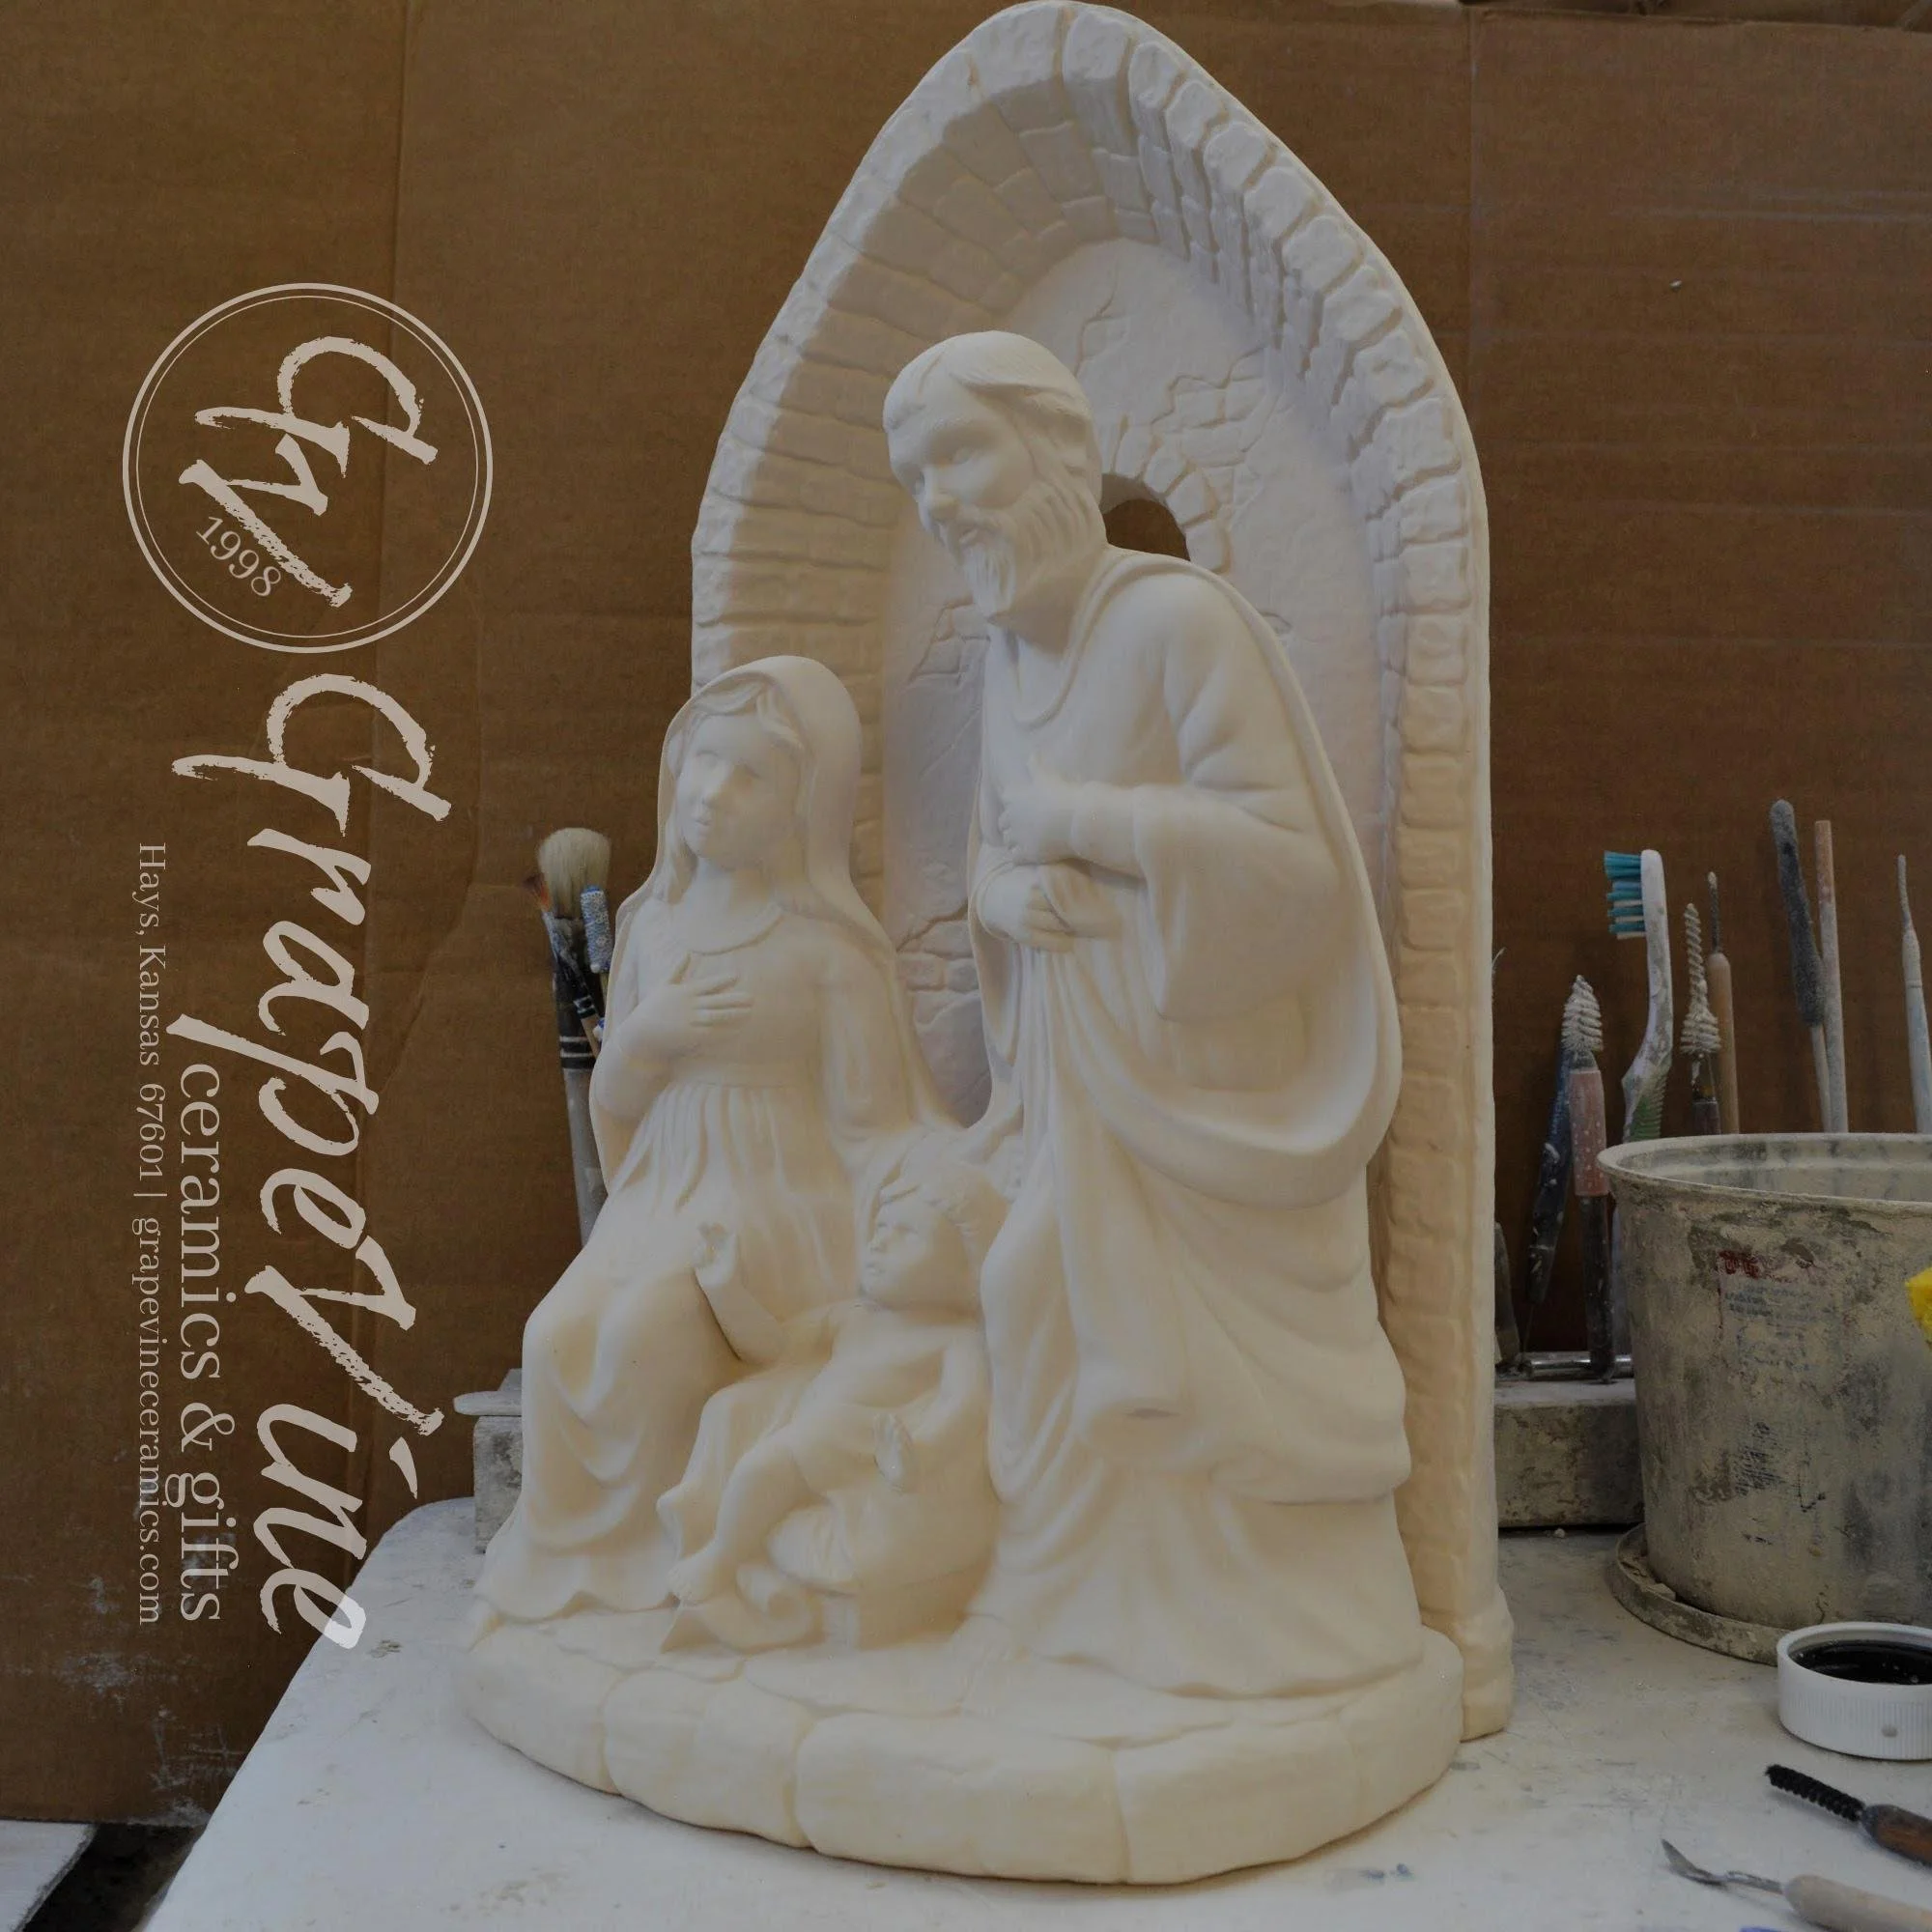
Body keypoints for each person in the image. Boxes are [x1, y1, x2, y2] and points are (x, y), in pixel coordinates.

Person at [883, 332, 1424, 1698]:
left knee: (1192, 1370)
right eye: (914, 479)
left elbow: (1291, 866)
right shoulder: (1008, 662)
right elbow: (997, 861)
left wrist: (1092, 821)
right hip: (1081, 1084)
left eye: (958, 456)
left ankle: (1256, 1628)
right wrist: (1009, 896)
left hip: (1206, 1091)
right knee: (1033, 1296)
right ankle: (1064, 1604)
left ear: (1057, 450)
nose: (937, 502)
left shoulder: (1179, 624)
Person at [476, 657, 947, 1625]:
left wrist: (924, 1220)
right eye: (703, 762)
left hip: (774, 1201)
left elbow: (874, 1127)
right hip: (662, 1189)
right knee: (556, 1337)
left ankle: (666, 1557)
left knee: (646, 1338)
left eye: (749, 775)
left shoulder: (829, 952)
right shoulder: (651, 926)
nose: (712, 792)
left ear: (803, 808)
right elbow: (616, 1098)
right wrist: (646, 1038)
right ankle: (574, 1564)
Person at [660, 1159, 1004, 1650]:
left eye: (907, 1235)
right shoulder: (854, 1318)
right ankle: (720, 1550)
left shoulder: (954, 1340)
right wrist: (727, 1290)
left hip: (856, 1446)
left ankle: (720, 1558)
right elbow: (772, 1348)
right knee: (748, 1443)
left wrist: (921, 1453)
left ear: (965, 1268)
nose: (880, 1243)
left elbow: (964, 1408)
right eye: (881, 1229)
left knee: (762, 1468)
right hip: (816, 1436)